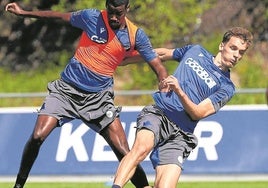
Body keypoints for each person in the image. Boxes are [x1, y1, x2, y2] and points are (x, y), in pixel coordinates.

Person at [5, 1, 168, 188]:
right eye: (111, 12)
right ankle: (18, 186)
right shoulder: (91, 17)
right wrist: (25, 13)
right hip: (66, 91)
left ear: (127, 10)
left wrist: (164, 81)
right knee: (37, 136)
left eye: (119, 14)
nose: (114, 17)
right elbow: (57, 16)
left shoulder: (135, 35)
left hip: (98, 100)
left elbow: (157, 66)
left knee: (125, 153)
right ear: (107, 6)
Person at [112, 27, 253, 188]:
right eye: (233, 48)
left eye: (241, 52)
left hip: (181, 135)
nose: (236, 55)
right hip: (160, 113)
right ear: (222, 46)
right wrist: (125, 58)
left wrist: (179, 91)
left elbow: (197, 113)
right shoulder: (195, 51)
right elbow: (162, 54)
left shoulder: (227, 87)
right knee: (141, 149)